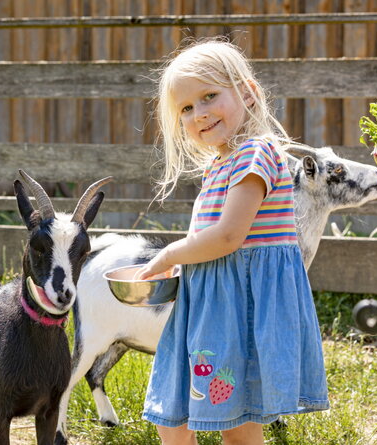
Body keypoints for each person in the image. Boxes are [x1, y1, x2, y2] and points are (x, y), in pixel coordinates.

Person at [135, 39, 329, 445]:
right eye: (186, 108)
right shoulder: (222, 162)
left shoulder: (254, 153)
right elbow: (212, 241)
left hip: (238, 308)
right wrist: (185, 265)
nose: (199, 113)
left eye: (209, 96)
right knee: (180, 418)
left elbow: (228, 235)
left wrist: (171, 252)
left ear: (248, 92)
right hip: (213, 303)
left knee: (235, 426)